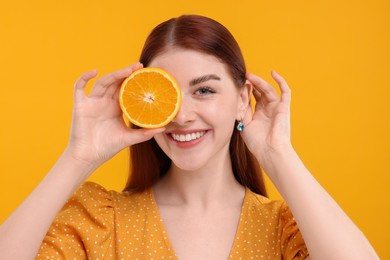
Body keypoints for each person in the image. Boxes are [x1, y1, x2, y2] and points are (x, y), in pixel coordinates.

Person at [0, 14, 378, 259]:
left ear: (242, 99)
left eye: (204, 91)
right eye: (168, 97)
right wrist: (77, 157)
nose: (181, 115)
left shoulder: (286, 230)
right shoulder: (99, 223)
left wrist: (278, 154)